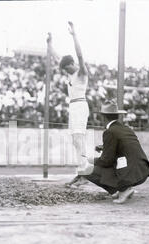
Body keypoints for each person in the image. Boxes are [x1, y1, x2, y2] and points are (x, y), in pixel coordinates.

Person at [82, 100, 149, 204]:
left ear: (103, 117)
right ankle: (123, 189)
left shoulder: (109, 132)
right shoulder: (126, 129)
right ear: (117, 116)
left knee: (87, 170)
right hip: (142, 171)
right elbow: (125, 148)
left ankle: (122, 190)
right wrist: (104, 147)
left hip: (128, 174)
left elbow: (106, 161)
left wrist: (91, 160)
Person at [51, 22, 90, 187]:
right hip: (73, 107)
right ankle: (81, 171)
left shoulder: (81, 73)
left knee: (79, 138)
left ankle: (84, 174)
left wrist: (74, 35)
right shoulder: (69, 71)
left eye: (67, 69)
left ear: (72, 64)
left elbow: (80, 56)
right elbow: (57, 58)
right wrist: (50, 44)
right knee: (75, 140)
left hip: (80, 105)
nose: (66, 72)